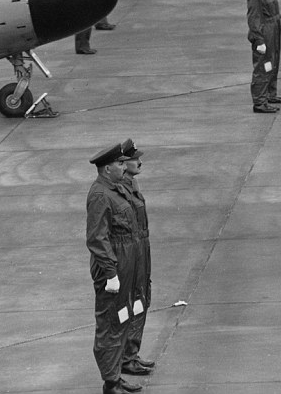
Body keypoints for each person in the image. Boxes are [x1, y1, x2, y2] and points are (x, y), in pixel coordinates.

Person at [86, 142, 146, 394]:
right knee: (111, 324)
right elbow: (96, 238)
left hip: (127, 261)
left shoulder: (115, 189)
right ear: (107, 168)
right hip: (115, 266)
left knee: (123, 317)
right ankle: (110, 383)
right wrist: (110, 273)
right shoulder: (101, 195)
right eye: (120, 164)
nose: (124, 167)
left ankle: (116, 374)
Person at [117, 140, 154, 378]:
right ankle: (124, 357)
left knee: (141, 299)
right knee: (127, 304)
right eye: (134, 159)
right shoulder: (119, 188)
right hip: (129, 251)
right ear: (122, 163)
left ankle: (131, 353)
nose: (139, 162)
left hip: (141, 248)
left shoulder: (132, 183)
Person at [246, 0, 281, 113]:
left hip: (273, 29)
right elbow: (253, 18)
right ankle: (260, 102)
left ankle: (269, 94)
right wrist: (259, 39)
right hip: (265, 32)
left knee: (273, 62)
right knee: (263, 66)